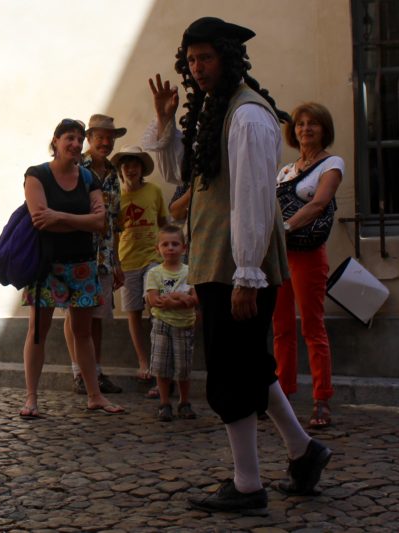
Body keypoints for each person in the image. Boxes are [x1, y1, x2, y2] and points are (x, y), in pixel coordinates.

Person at [144, 17, 332, 515]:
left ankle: (247, 484)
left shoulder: (247, 115)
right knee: (250, 366)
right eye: (191, 59)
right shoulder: (217, 112)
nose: (197, 67)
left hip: (236, 268)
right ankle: (304, 451)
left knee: (231, 373)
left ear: (228, 56)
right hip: (219, 264)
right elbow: (184, 178)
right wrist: (165, 122)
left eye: (206, 57)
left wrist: (247, 273)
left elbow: (251, 199)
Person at [20, 118, 125, 418]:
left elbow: (100, 223)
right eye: (70, 138)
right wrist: (78, 220)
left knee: (83, 333)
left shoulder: (89, 177)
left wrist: (60, 217)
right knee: (37, 332)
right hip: (46, 266)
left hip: (82, 265)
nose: (76, 144)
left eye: (80, 139)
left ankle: (94, 395)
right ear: (55, 141)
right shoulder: (36, 174)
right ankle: (31, 398)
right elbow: (40, 219)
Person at [272, 102, 343, 429]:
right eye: (300, 123)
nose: (305, 129)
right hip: (281, 255)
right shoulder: (286, 170)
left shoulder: (332, 164)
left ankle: (322, 398)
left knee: (312, 326)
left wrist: (285, 229)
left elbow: (318, 204)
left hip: (308, 254)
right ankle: (283, 395)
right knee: (281, 327)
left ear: (323, 128)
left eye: (312, 123)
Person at [63, 114, 125, 396]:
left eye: (110, 138)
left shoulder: (114, 172)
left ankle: (95, 371)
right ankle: (78, 371)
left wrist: (117, 261)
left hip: (105, 256)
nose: (105, 142)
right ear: (89, 139)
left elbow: (117, 223)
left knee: (98, 315)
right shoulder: (77, 166)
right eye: (100, 137)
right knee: (75, 314)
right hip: (78, 252)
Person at [112, 145, 167, 393]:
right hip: (128, 261)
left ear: (141, 168)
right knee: (133, 312)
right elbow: (113, 233)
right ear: (120, 170)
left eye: (134, 164)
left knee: (156, 309)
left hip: (153, 259)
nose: (130, 169)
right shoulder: (116, 198)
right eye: (125, 165)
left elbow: (164, 223)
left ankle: (160, 365)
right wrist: (115, 263)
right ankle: (143, 362)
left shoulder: (153, 191)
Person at [144, 224, 198, 421]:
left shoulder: (190, 272)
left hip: (184, 326)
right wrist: (180, 299)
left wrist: (173, 297)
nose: (170, 248)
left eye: (175, 244)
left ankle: (184, 402)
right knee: (161, 366)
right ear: (158, 248)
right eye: (165, 244)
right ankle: (164, 403)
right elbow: (154, 300)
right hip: (161, 325)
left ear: (183, 248)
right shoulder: (154, 273)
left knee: (183, 367)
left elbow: (194, 300)